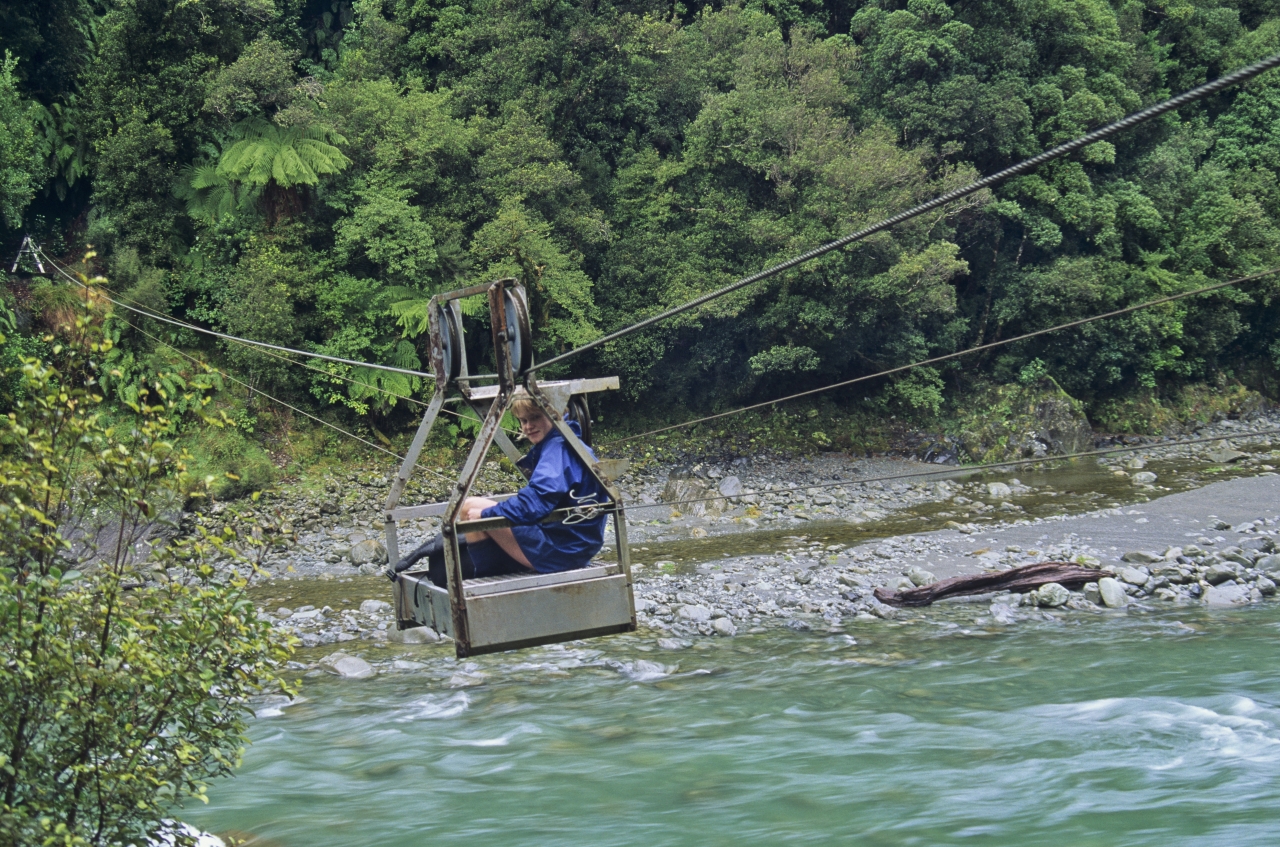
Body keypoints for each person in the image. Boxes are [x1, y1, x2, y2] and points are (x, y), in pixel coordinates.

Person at [389, 397, 607, 583]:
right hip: (573, 544)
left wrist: (487, 514)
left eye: (534, 418)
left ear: (555, 414)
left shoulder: (557, 450)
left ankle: (489, 577)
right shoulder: (565, 443)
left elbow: (534, 503)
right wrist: (490, 513)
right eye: (523, 420)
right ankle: (490, 571)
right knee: (472, 507)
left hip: (562, 551)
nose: (528, 426)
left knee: (471, 510)